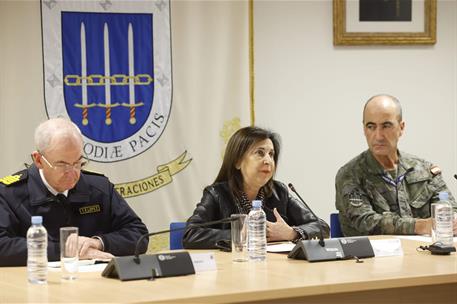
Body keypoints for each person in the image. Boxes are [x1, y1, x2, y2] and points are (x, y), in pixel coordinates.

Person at [0, 118, 148, 266]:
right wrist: (67, 250)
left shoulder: (99, 188)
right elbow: (2, 246)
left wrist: (98, 243)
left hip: (94, 284)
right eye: (62, 164)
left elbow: (138, 234)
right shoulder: (9, 194)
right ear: (38, 160)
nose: (72, 173)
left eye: (78, 163)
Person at [183, 126, 329, 249]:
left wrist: (291, 233)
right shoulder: (217, 194)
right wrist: (240, 234)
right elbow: (190, 235)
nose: (268, 160)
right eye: (260, 153)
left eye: (271, 154)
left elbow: (322, 227)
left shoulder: (279, 192)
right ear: (238, 161)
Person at [335, 94, 457, 236]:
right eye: (371, 126)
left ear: (401, 127)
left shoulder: (425, 170)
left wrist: (452, 221)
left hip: (424, 254)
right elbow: (366, 222)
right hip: (373, 256)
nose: (378, 136)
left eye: (386, 126)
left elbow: (449, 209)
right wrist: (420, 226)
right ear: (364, 129)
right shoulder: (350, 174)